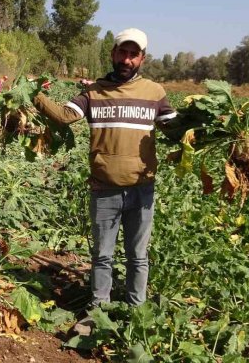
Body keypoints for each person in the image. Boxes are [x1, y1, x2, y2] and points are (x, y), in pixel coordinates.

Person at [31, 28, 176, 335]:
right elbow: (63, 115)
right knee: (102, 256)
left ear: (142, 59)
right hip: (104, 189)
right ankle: (98, 311)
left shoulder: (154, 92)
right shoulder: (93, 92)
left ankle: (137, 311)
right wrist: (32, 94)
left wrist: (207, 125)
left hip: (141, 190)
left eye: (133, 54)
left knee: (138, 256)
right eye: (122, 52)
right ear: (112, 53)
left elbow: (176, 130)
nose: (127, 59)